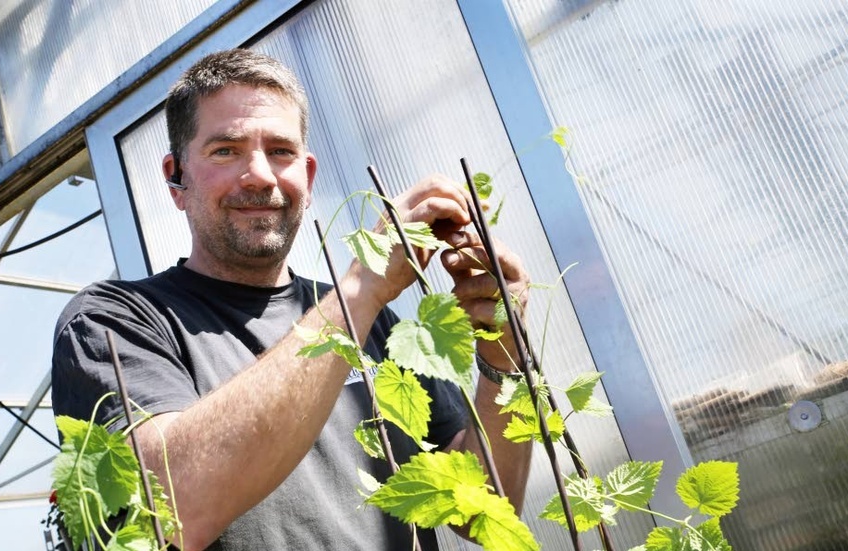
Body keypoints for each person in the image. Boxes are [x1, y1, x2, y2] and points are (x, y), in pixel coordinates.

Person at [51, 48, 532, 551]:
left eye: (280, 151)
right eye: (225, 150)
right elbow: (175, 508)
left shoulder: (376, 324)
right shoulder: (114, 323)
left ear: (308, 173)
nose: (259, 174)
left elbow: (479, 510)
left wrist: (503, 358)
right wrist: (360, 290)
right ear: (176, 179)